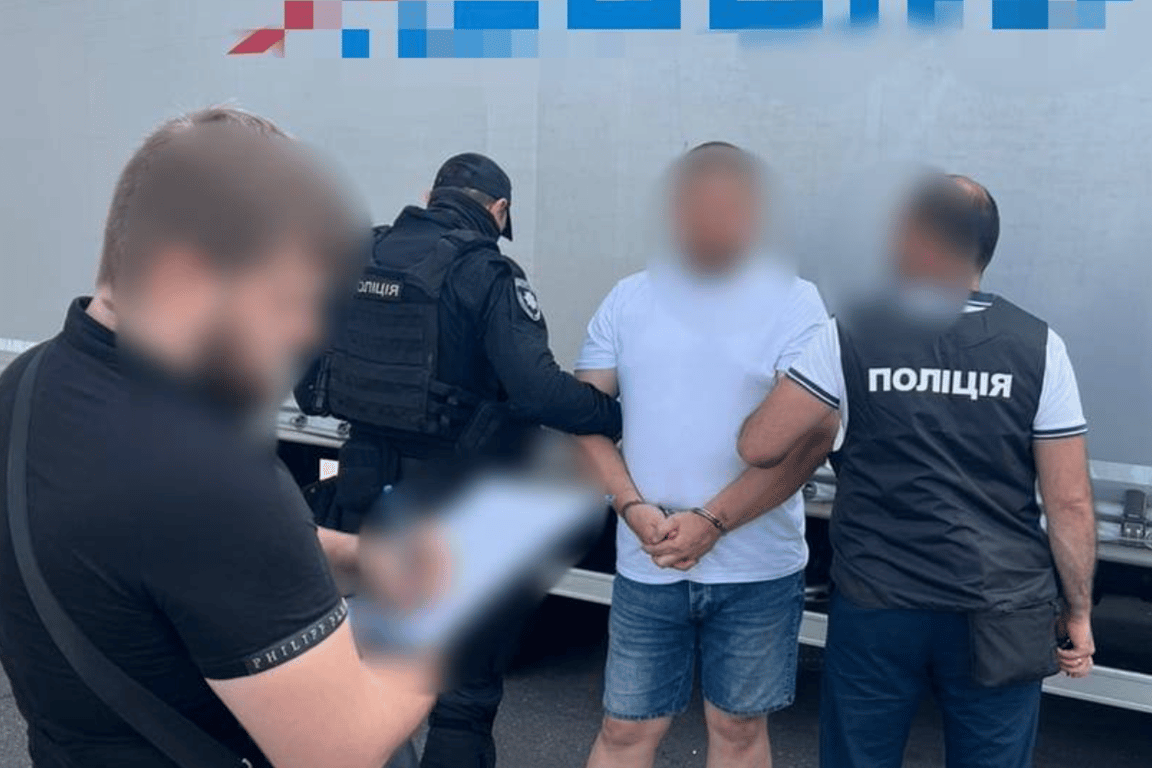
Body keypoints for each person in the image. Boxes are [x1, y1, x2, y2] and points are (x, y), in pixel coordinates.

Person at [0, 108, 440, 768]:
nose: (306, 333)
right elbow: (344, 751)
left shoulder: (28, 382)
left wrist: (368, 558)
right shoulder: (212, 475)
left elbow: (182, 557)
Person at [738, 173, 1098, 768]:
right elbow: (1070, 503)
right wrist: (1077, 612)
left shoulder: (850, 333)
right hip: (999, 608)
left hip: (879, 605)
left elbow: (760, 445)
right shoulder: (1039, 346)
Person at [296, 152, 623, 768]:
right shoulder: (486, 272)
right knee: (463, 693)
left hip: (360, 492)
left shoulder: (357, 255)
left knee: (371, 673)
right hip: (457, 506)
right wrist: (612, 416)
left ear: (430, 195)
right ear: (499, 211)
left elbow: (308, 380)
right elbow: (537, 390)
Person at [574, 142, 837, 768]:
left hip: (756, 568)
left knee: (738, 731)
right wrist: (630, 506)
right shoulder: (628, 299)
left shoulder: (795, 301)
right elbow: (582, 421)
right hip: (648, 558)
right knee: (624, 731)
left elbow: (811, 439)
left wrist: (714, 521)